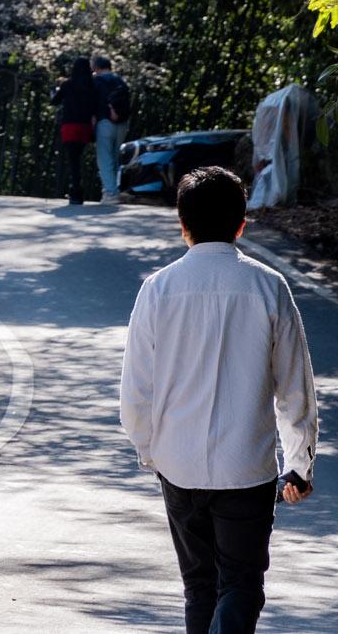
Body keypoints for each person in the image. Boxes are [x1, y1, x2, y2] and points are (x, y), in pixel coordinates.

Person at [119, 167, 318, 634]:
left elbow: (136, 389)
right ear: (242, 223)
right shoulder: (269, 287)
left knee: (198, 586)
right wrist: (299, 463)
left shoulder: (158, 289)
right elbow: (295, 387)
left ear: (182, 224)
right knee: (241, 584)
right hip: (245, 466)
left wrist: (150, 451)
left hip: (178, 464)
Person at [52, 58, 102, 203]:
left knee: (73, 161)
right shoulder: (93, 86)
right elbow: (96, 106)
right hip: (85, 127)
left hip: (69, 126)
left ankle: (75, 191)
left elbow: (54, 101)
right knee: (78, 158)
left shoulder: (67, 85)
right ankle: (78, 191)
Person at [91, 55, 132, 199]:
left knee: (104, 158)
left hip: (104, 123)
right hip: (122, 123)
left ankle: (110, 192)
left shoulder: (96, 81)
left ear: (95, 67)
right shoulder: (120, 81)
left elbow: (93, 103)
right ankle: (113, 188)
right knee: (115, 158)